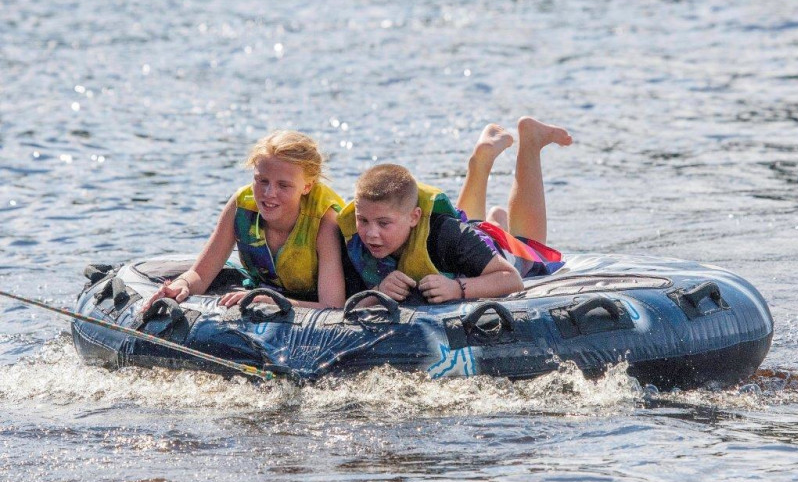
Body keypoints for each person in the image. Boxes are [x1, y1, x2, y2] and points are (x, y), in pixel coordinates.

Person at [339, 116, 571, 304]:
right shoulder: (356, 244)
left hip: (495, 252)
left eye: (383, 223)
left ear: (414, 217)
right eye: (363, 220)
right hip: (469, 240)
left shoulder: (446, 235)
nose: (371, 233)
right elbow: (343, 305)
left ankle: (531, 141)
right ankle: (481, 167)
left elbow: (512, 279)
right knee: (472, 233)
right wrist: (378, 292)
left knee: (530, 244)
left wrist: (457, 288)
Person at [143, 130, 347, 310]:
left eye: (283, 185)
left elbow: (332, 306)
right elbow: (201, 274)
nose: (269, 193)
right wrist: (183, 285)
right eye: (262, 180)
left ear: (307, 187)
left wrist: (269, 301)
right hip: (268, 290)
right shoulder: (242, 205)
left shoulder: (325, 221)